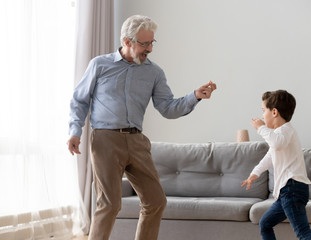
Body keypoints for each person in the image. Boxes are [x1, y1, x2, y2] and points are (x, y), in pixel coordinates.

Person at [67, 15, 216, 240]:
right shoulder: (100, 65)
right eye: (144, 44)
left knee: (156, 201)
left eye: (151, 43)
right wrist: (74, 131)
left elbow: (167, 108)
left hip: (137, 141)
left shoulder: (154, 72)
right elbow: (80, 100)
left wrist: (194, 97)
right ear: (127, 42)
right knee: (109, 204)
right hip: (105, 140)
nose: (149, 49)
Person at [241, 90, 311, 240]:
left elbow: (275, 143)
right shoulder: (280, 135)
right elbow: (269, 157)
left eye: (264, 111)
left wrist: (261, 128)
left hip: (292, 189)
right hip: (287, 192)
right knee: (265, 223)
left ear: (274, 112)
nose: (262, 115)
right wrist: (254, 174)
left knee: (303, 233)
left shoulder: (286, 130)